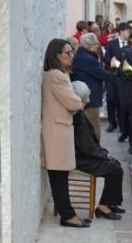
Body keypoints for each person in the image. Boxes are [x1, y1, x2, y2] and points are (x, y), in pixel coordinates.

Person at [41, 38, 90, 228]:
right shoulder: (56, 76)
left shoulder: (58, 74)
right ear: (56, 55)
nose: (72, 56)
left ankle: (68, 213)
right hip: (57, 132)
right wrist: (80, 101)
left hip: (58, 131)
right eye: (67, 53)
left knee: (60, 176)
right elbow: (73, 103)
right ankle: (67, 216)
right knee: (59, 177)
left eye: (72, 52)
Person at [70, 81, 125, 220]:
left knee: (115, 164)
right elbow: (86, 146)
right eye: (87, 95)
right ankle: (102, 207)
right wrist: (102, 155)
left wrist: (102, 153)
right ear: (81, 97)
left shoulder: (79, 113)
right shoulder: (78, 117)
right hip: (80, 159)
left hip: (83, 155)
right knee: (115, 170)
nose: (89, 99)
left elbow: (88, 144)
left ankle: (110, 202)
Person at [70, 33, 114, 139]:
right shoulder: (88, 59)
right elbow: (104, 75)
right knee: (94, 127)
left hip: (83, 95)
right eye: (96, 44)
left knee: (85, 126)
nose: (97, 47)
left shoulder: (80, 55)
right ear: (90, 45)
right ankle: (96, 148)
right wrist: (113, 67)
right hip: (90, 97)